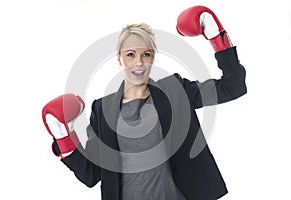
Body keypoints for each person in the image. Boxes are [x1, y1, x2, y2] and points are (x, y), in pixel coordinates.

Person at [42, 5, 247, 200]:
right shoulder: (103, 109)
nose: (139, 61)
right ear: (120, 59)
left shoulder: (175, 90)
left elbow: (232, 87)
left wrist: (216, 36)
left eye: (145, 54)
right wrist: (63, 138)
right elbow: (91, 174)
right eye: (130, 54)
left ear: (153, 57)